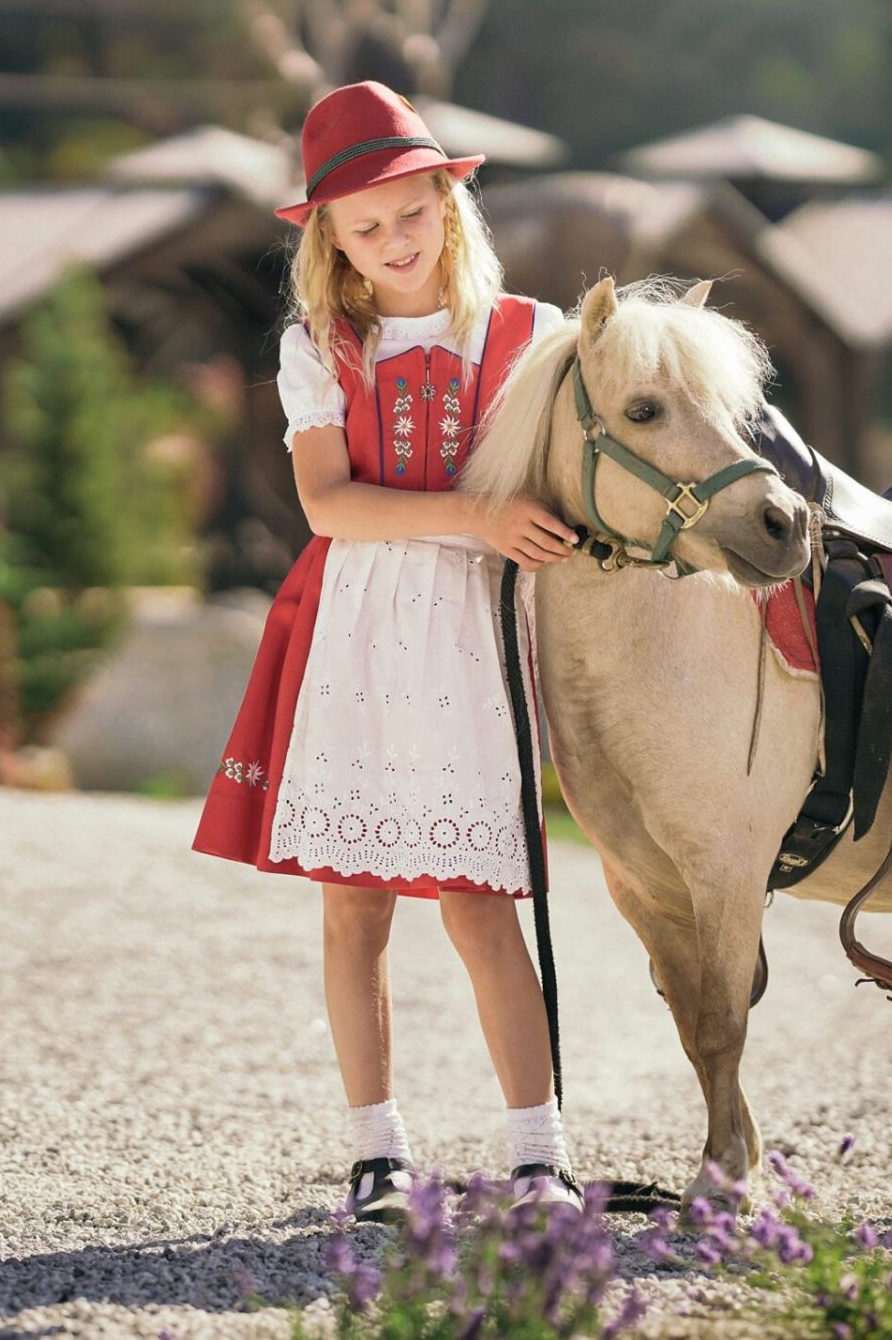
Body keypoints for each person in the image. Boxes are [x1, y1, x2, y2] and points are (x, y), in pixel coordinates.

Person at [191, 80, 584, 1223]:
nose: (393, 241)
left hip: (471, 631)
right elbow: (327, 506)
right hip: (357, 627)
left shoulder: (528, 333)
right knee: (356, 903)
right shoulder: (318, 344)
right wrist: (473, 516)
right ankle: (377, 1153)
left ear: (448, 203)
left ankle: (539, 1153)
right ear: (329, 240)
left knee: (480, 899)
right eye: (364, 228)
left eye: (411, 213)